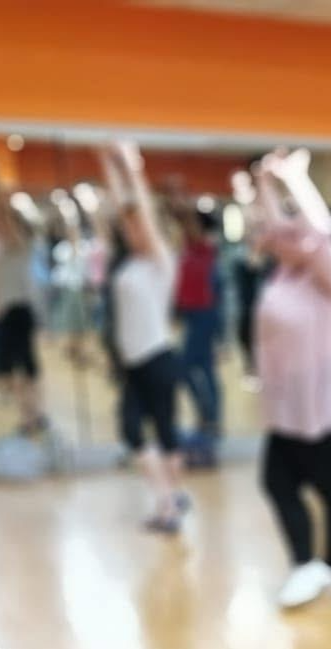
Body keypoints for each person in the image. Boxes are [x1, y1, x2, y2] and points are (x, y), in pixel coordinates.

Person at [250, 149, 331, 610]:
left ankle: (328, 569)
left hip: (327, 409)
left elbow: (318, 234)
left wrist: (296, 179)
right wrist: (264, 187)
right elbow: (279, 231)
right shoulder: (284, 275)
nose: (284, 237)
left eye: (296, 234)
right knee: (277, 483)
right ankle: (305, 564)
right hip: (285, 410)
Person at [99, 142, 188, 533]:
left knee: (165, 434)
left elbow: (144, 216)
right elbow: (125, 211)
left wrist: (133, 169)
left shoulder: (160, 262)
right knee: (132, 430)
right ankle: (169, 497)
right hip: (133, 363)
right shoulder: (128, 263)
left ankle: (169, 503)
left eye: (139, 226)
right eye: (129, 227)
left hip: (157, 358)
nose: (133, 229)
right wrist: (107, 165)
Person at [0, 160, 47, 437]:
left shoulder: (19, 245)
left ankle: (35, 414)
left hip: (19, 311)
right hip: (4, 312)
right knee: (17, 372)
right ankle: (28, 415)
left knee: (27, 369)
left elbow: (2, 215)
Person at [175, 202, 224, 466]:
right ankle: (209, 418)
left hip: (205, 314)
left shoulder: (208, 247)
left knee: (195, 367)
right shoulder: (189, 247)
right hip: (192, 314)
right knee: (200, 368)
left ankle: (211, 417)